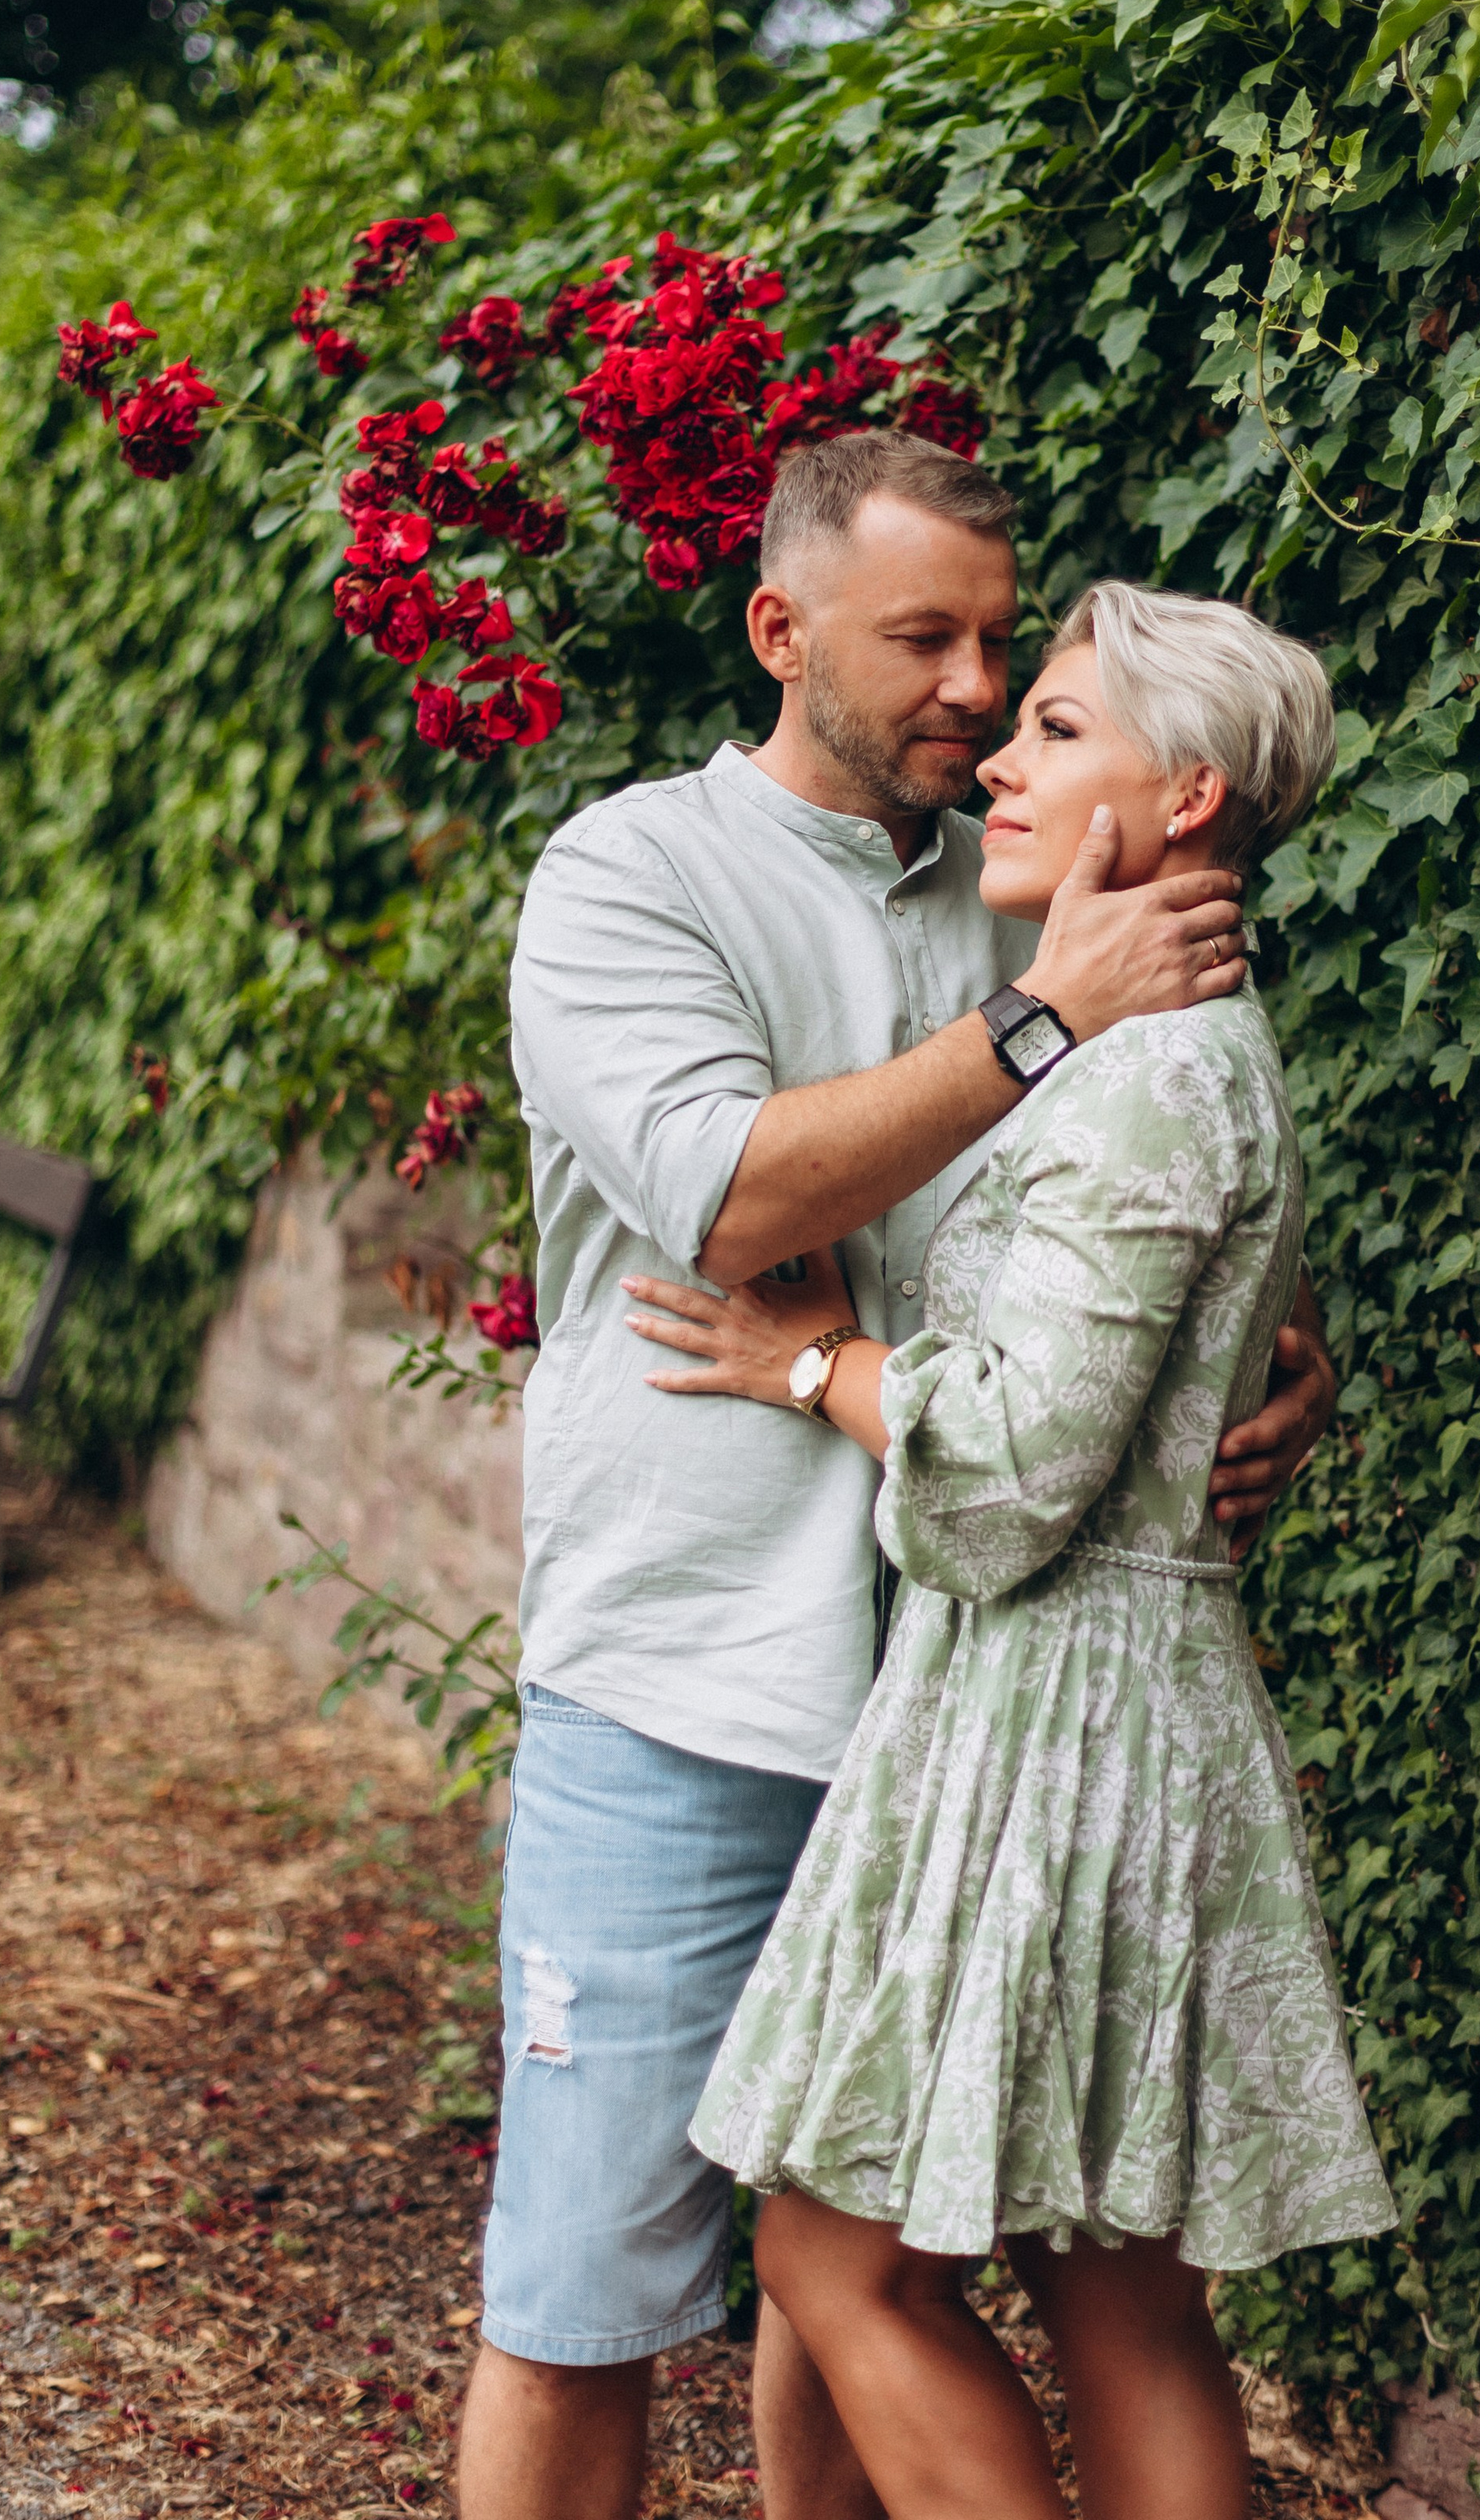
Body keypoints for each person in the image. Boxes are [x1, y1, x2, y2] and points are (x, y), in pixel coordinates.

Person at [459, 436, 1341, 2520]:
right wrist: (1042, 1021)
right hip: (690, 1688)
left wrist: (1272, 1375)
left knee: (852, 2269)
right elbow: (724, 1190)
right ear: (780, 632)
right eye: (920, 640)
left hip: (964, 1698)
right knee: (586, 2296)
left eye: (997, 650)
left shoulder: (1030, 873)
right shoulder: (633, 876)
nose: (970, 690)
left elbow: (1147, 1230)